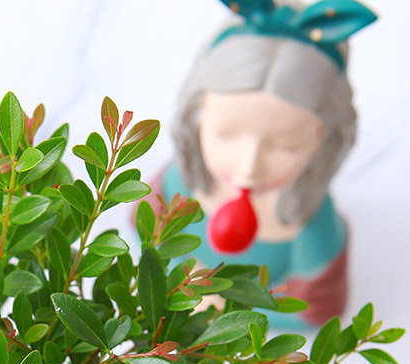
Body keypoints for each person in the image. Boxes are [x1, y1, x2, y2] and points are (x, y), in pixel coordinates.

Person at [158, 0, 376, 325]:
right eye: (224, 133)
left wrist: (226, 308)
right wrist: (183, 282)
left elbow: (315, 311)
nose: (248, 168)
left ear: (325, 143)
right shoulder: (181, 181)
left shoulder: (308, 222)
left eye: (285, 146)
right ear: (196, 115)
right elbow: (146, 243)